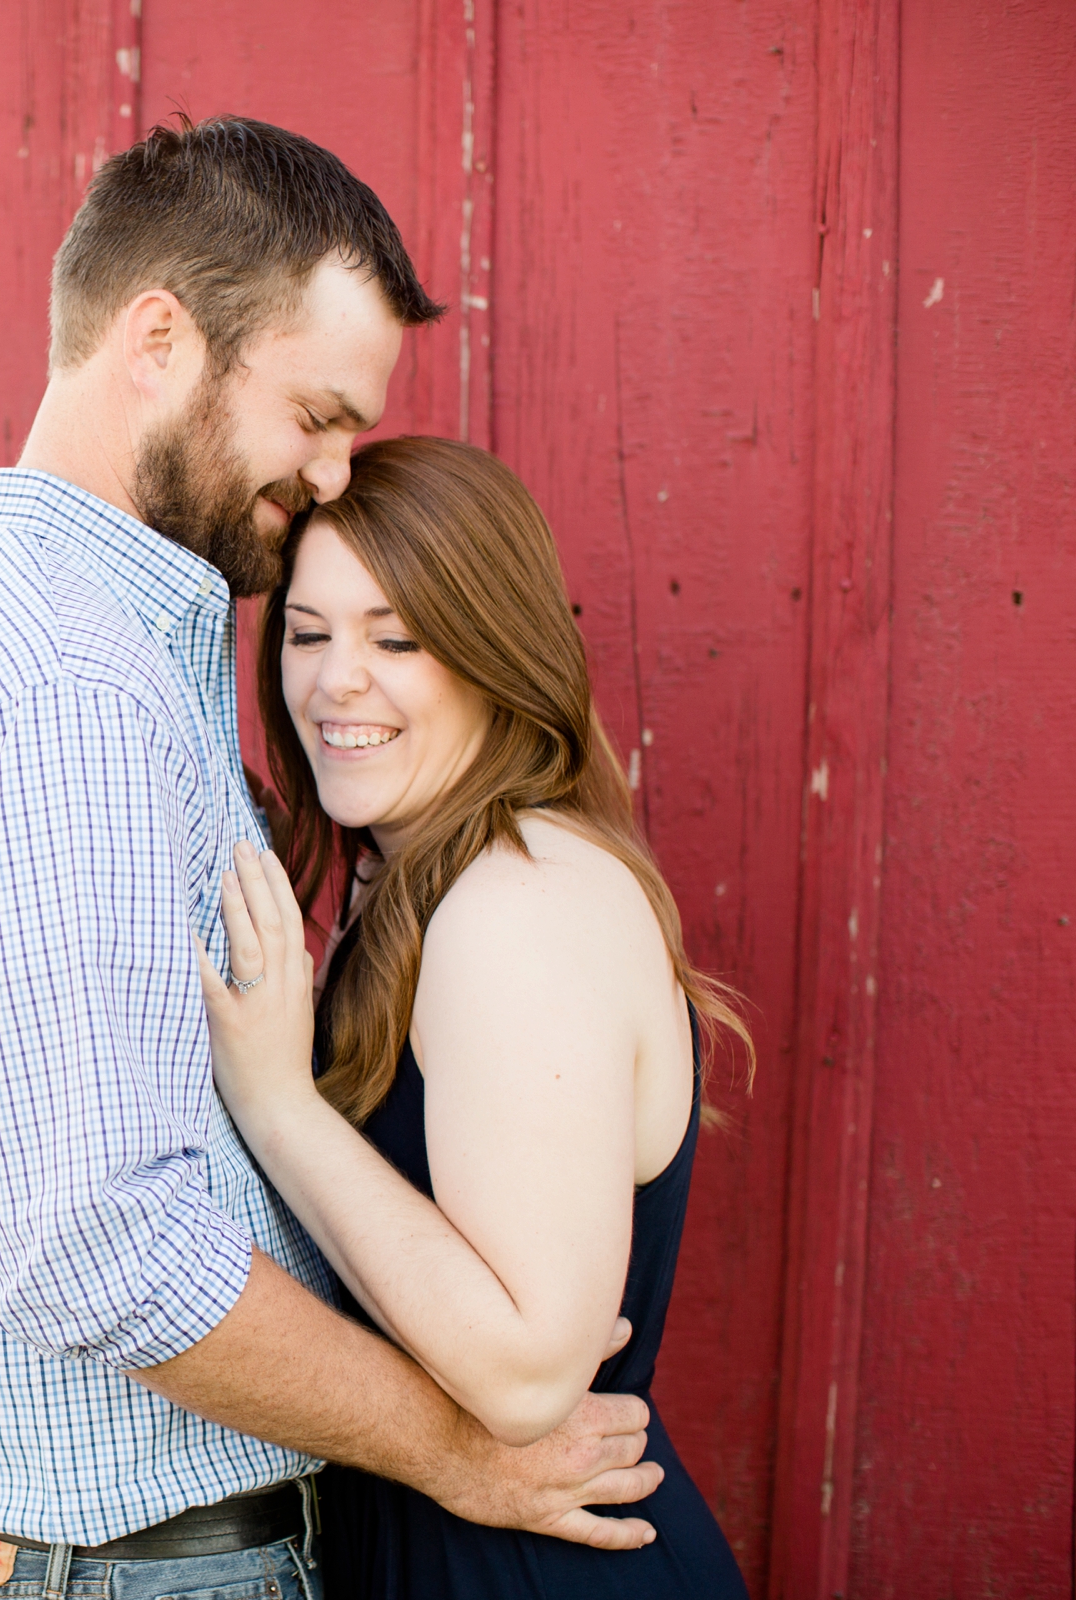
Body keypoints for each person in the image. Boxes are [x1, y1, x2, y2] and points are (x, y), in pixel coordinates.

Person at [0, 116, 666, 1600]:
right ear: (160, 340)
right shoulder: (71, 688)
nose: (332, 466)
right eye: (313, 412)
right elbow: (100, 1246)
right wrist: (447, 1451)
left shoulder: (44, 627)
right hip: (123, 1571)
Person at [199, 435, 752, 1596]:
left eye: (397, 637)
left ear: (496, 652)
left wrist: (280, 1105)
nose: (337, 679)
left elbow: (522, 1375)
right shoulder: (408, 888)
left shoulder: (518, 901)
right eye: (309, 633)